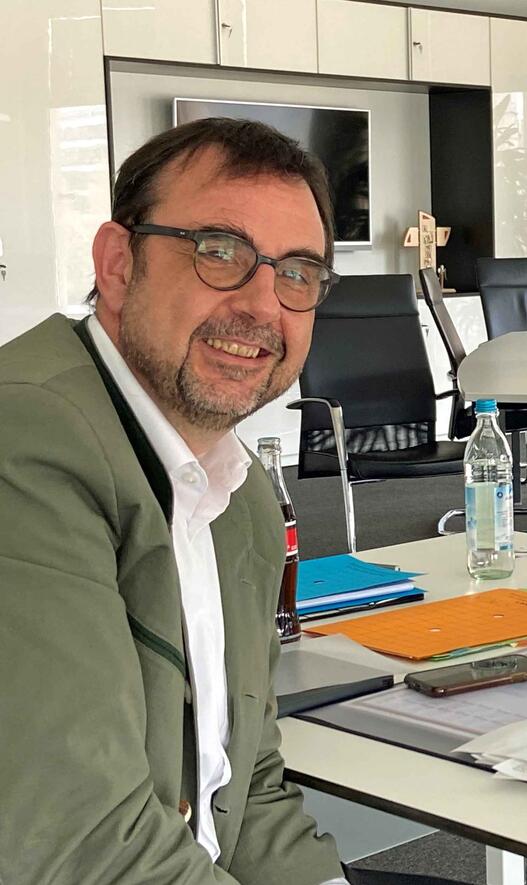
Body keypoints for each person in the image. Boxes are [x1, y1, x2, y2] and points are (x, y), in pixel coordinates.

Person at [0, 119, 353, 883]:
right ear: (119, 264)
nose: (264, 305)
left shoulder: (239, 497)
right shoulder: (25, 439)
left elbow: (246, 791)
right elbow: (86, 842)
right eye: (220, 251)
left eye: (297, 272)